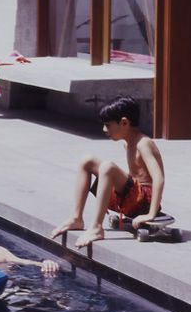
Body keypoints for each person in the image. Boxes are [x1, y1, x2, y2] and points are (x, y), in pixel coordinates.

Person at [51, 95, 165, 249]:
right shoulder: (128, 144)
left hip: (145, 202)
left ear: (124, 123)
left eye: (108, 125)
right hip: (132, 197)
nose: (104, 130)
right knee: (87, 161)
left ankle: (96, 228)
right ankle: (76, 218)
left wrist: (151, 214)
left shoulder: (143, 144)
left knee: (107, 167)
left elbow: (159, 178)